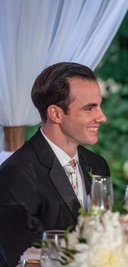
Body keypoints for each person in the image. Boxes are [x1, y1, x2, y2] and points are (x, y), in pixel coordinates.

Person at [0, 62, 110, 267]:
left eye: (99, 105)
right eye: (89, 108)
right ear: (56, 114)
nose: (102, 117)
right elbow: (26, 259)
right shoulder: (16, 175)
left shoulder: (98, 165)